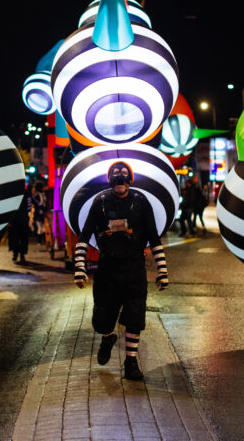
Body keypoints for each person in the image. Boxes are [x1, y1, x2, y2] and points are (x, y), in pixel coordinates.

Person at [74, 161, 169, 381]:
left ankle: (131, 362)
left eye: (124, 177)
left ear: (130, 180)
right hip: (107, 268)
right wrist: (79, 267)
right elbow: (85, 234)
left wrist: (162, 270)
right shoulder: (100, 202)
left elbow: (154, 238)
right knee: (103, 317)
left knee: (135, 316)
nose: (120, 182)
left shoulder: (141, 202)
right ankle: (107, 337)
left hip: (134, 267)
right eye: (115, 177)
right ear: (109, 180)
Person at [9, 186, 31, 264]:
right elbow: (29, 207)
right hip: (24, 218)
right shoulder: (27, 193)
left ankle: (15, 255)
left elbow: (10, 207)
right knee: (24, 238)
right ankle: (22, 256)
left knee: (15, 237)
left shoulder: (13, 194)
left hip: (14, 219)